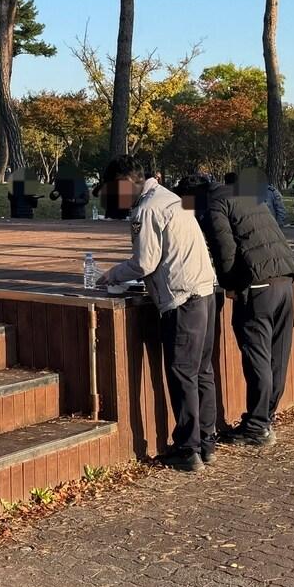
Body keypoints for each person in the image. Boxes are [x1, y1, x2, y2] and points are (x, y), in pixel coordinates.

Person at [98, 155, 218, 473]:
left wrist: (113, 274)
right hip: (204, 292)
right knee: (202, 371)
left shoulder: (147, 208)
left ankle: (188, 449)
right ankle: (206, 442)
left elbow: (145, 263)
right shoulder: (170, 198)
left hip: (181, 299)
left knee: (182, 375)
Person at [204, 169, 294, 447]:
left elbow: (224, 247)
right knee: (277, 355)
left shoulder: (215, 203)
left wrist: (229, 284)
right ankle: (265, 418)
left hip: (258, 285)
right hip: (285, 278)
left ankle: (257, 425)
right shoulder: (246, 197)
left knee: (257, 355)